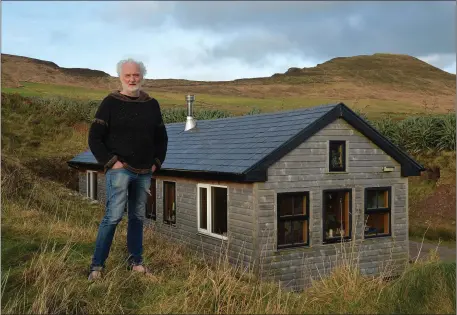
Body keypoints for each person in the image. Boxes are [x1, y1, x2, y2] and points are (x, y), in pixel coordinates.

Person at [87, 58, 168, 280]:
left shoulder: (152, 104)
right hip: (120, 170)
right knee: (112, 217)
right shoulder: (110, 103)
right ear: (120, 77)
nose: (132, 79)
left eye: (136, 75)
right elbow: (94, 137)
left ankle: (135, 262)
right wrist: (112, 162)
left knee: (137, 217)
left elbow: (162, 138)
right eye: (128, 75)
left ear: (142, 76)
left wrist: (156, 163)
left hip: (145, 171)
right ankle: (97, 266)